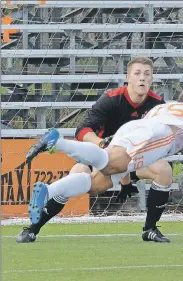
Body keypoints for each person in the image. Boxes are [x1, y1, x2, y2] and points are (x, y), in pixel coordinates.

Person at [25, 92, 183, 243]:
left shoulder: (165, 107)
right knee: (112, 165)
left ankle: (49, 190)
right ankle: (58, 143)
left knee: (98, 184)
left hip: (133, 128)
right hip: (160, 135)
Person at [16, 56, 166, 243]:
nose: (142, 78)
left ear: (152, 78)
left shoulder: (158, 105)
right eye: (137, 73)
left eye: (147, 74)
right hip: (101, 155)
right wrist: (102, 144)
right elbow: (82, 130)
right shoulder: (111, 99)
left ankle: (150, 229)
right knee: (74, 177)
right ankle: (32, 229)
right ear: (128, 77)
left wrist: (127, 178)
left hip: (135, 158)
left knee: (164, 170)